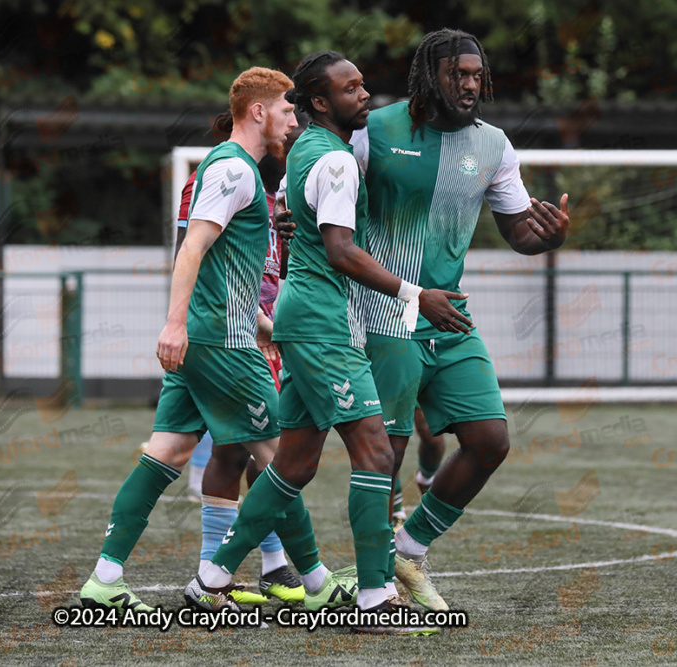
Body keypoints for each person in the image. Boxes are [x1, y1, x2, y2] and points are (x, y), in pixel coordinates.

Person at [186, 51, 466, 634]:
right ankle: (374, 600)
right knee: (375, 453)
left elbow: (303, 229)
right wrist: (418, 297)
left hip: (301, 316)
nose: (364, 94)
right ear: (318, 102)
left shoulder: (304, 154)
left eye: (363, 84)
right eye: (350, 88)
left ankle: (209, 582)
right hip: (319, 324)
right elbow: (340, 250)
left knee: (293, 464)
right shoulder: (335, 160)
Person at [348, 28, 571, 611]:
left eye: (477, 76)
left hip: (448, 316)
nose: (470, 84)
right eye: (457, 74)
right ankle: (371, 584)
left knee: (490, 440)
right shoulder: (373, 129)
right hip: (381, 314)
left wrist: (547, 237)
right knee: (387, 454)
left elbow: (519, 229)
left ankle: (409, 551)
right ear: (429, 75)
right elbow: (327, 207)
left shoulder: (494, 144)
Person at [79, 67, 297, 611]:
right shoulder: (230, 168)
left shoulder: (247, 173)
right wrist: (175, 324)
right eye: (289, 109)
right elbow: (193, 252)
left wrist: (273, 330)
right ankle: (307, 579)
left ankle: (106, 579)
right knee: (283, 461)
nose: (295, 120)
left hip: (221, 335)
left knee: (170, 452)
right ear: (258, 111)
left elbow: (229, 278)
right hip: (219, 344)